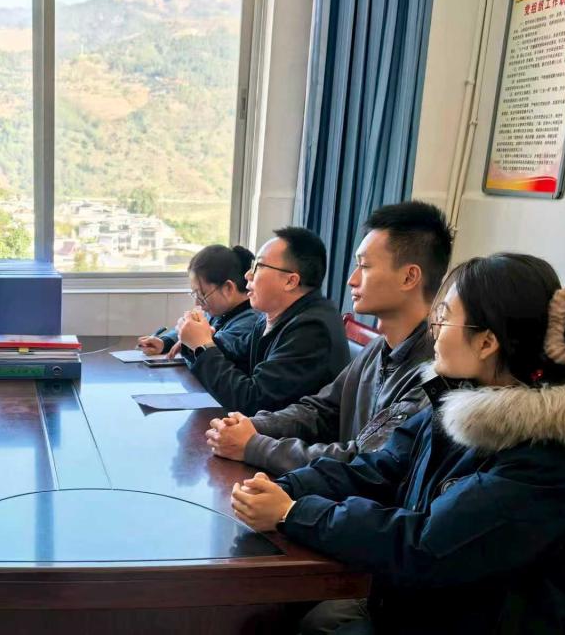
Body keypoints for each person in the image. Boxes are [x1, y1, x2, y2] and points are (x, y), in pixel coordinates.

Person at [230, 253, 565, 635]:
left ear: (487, 342)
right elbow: (381, 467)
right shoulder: (462, 396)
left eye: (443, 317)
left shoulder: (549, 455)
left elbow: (426, 545)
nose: (433, 328)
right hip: (431, 618)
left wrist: (295, 513)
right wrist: (288, 487)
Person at [206, 201, 453, 474]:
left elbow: (365, 461)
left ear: (409, 277)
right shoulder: (378, 348)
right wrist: (254, 425)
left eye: (365, 266)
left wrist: (254, 446)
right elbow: (321, 409)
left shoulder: (435, 373)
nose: (352, 280)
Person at [176, 227, 348, 415]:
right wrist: (197, 341)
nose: (247, 275)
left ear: (290, 281)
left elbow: (253, 401)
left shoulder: (312, 331)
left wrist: (202, 347)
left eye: (258, 266)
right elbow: (233, 355)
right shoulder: (272, 317)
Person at [137, 244, 260, 359]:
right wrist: (165, 342)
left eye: (202, 294)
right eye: (195, 294)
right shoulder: (217, 313)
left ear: (228, 288)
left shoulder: (249, 322)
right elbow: (190, 332)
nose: (197, 303)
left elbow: (212, 352)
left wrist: (191, 342)